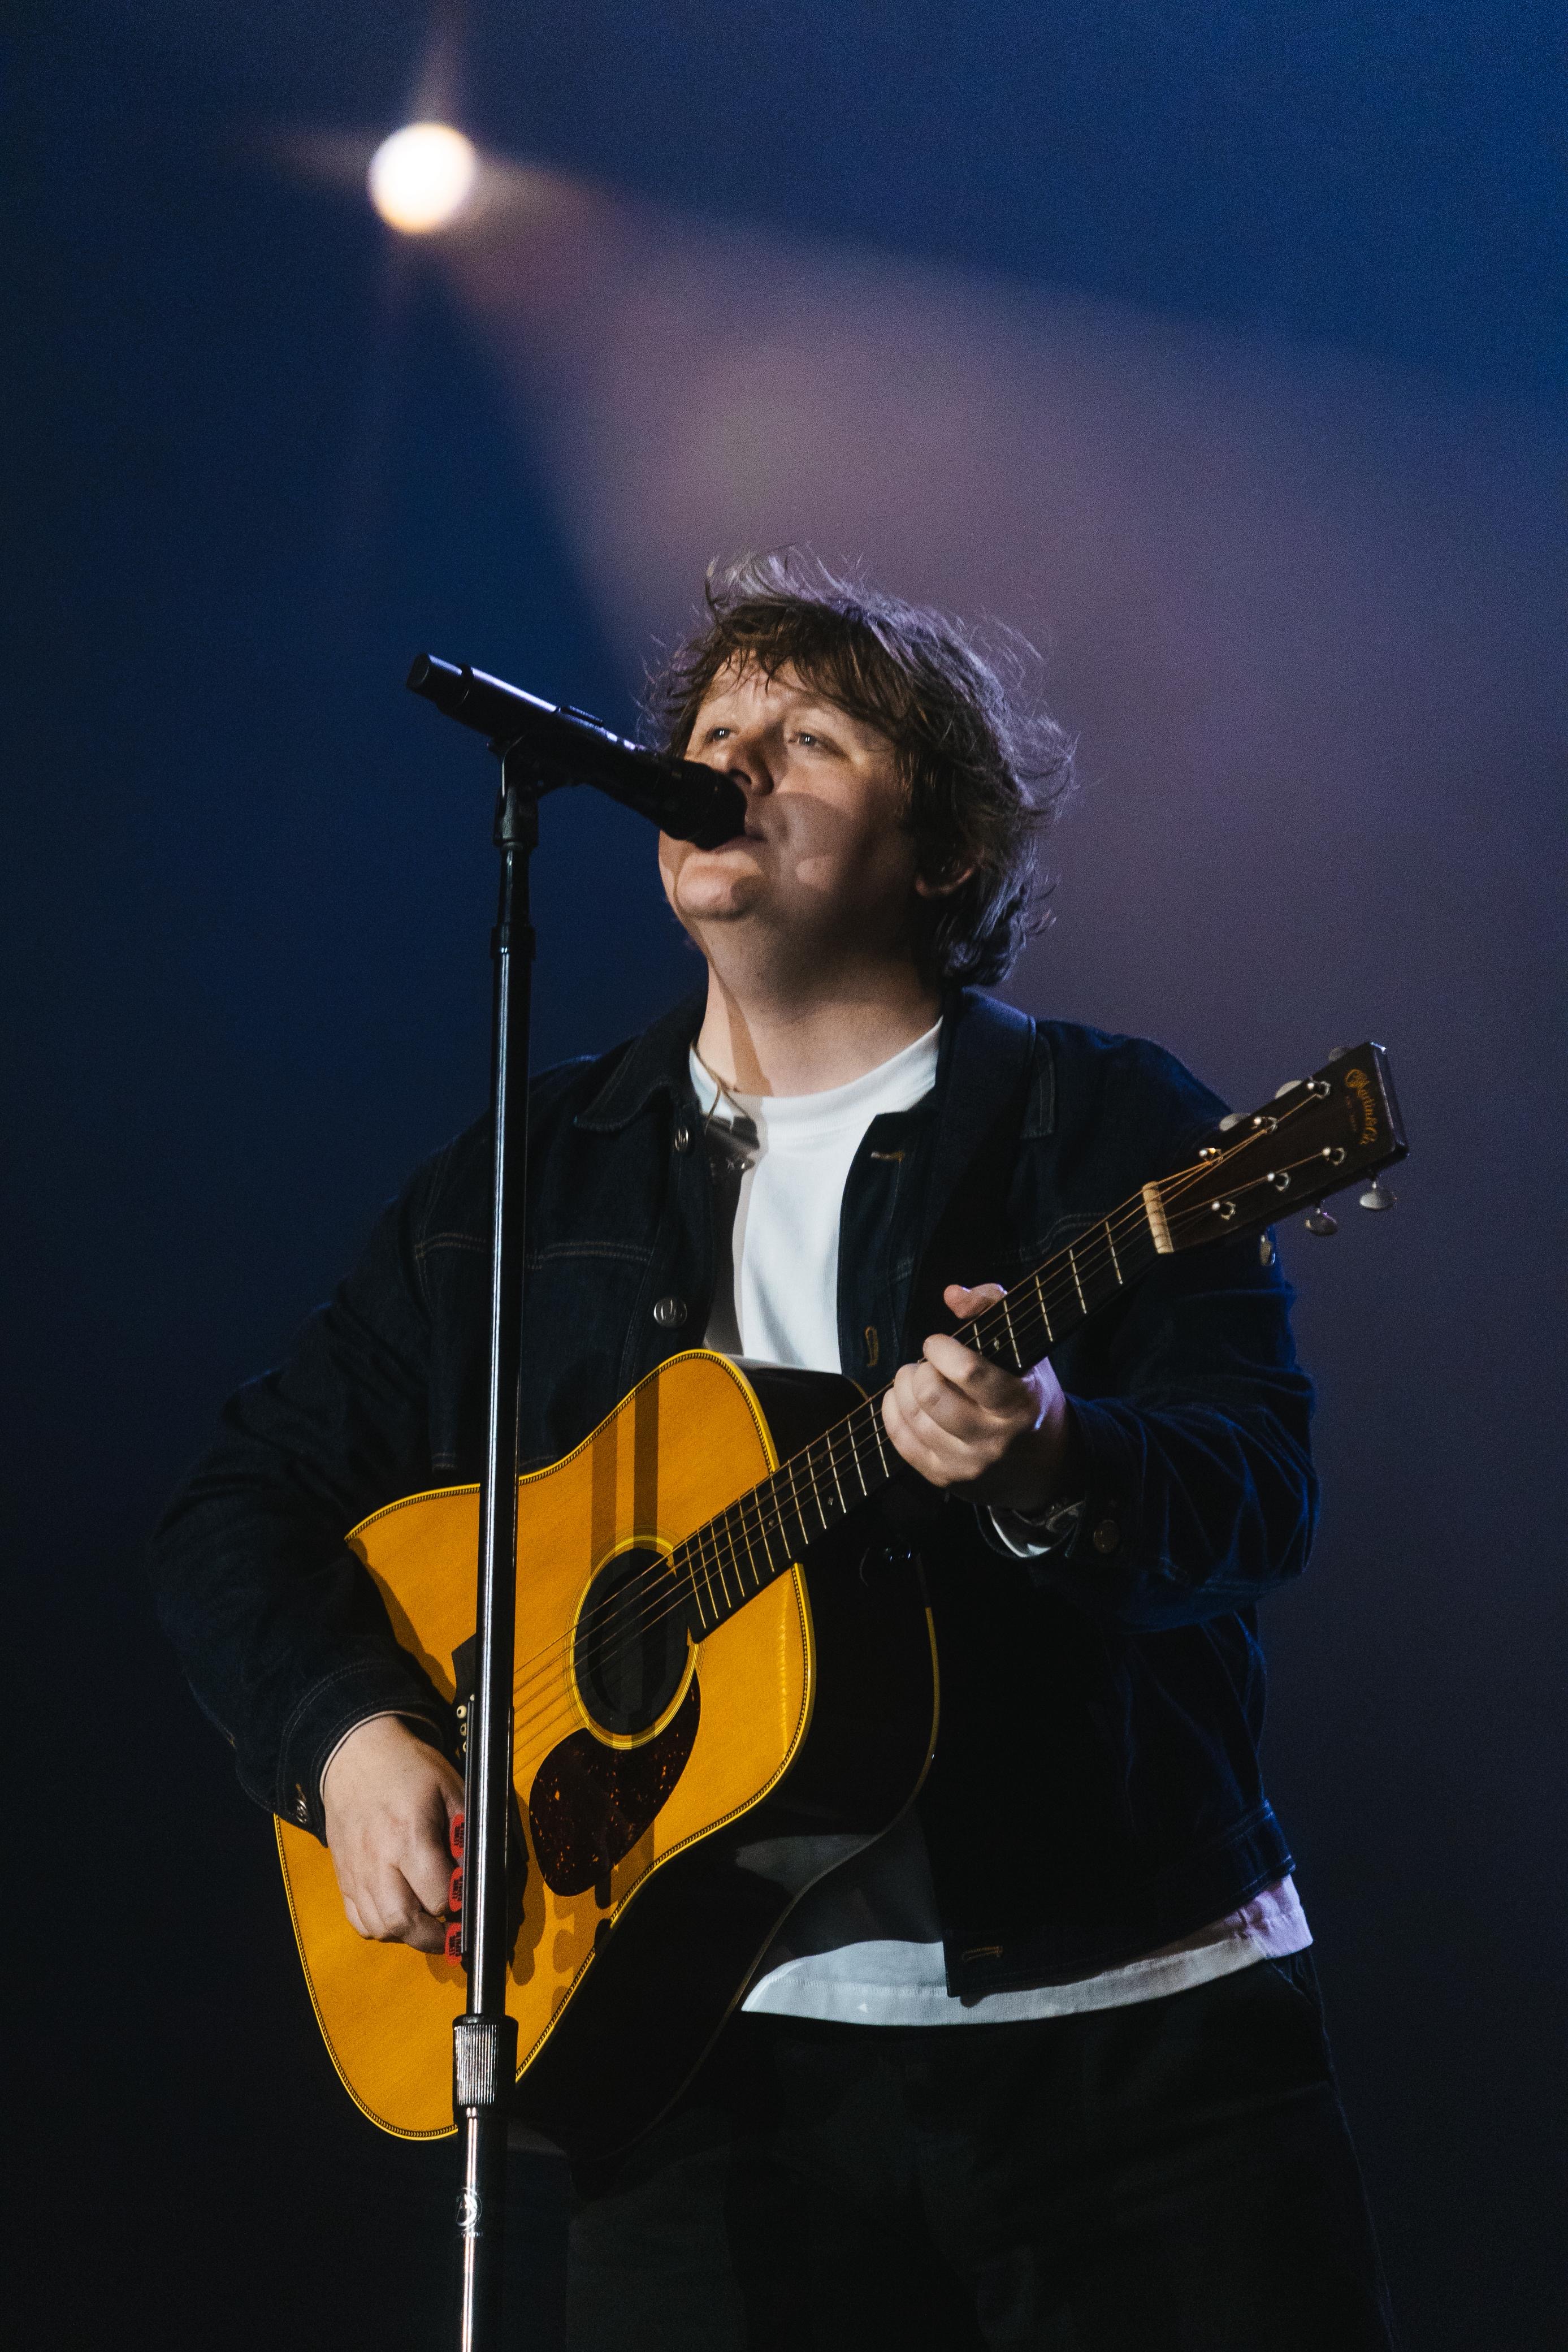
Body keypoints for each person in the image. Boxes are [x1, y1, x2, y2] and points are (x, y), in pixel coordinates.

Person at [151, 552, 1396, 2348]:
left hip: (1131, 2057)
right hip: (692, 2074)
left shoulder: (1111, 1122)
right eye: (713, 732)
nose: (732, 764)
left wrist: (1051, 1460)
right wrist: (345, 1737)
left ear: (943, 847)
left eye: (808, 738)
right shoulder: (538, 1169)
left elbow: (1259, 1498)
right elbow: (235, 1509)